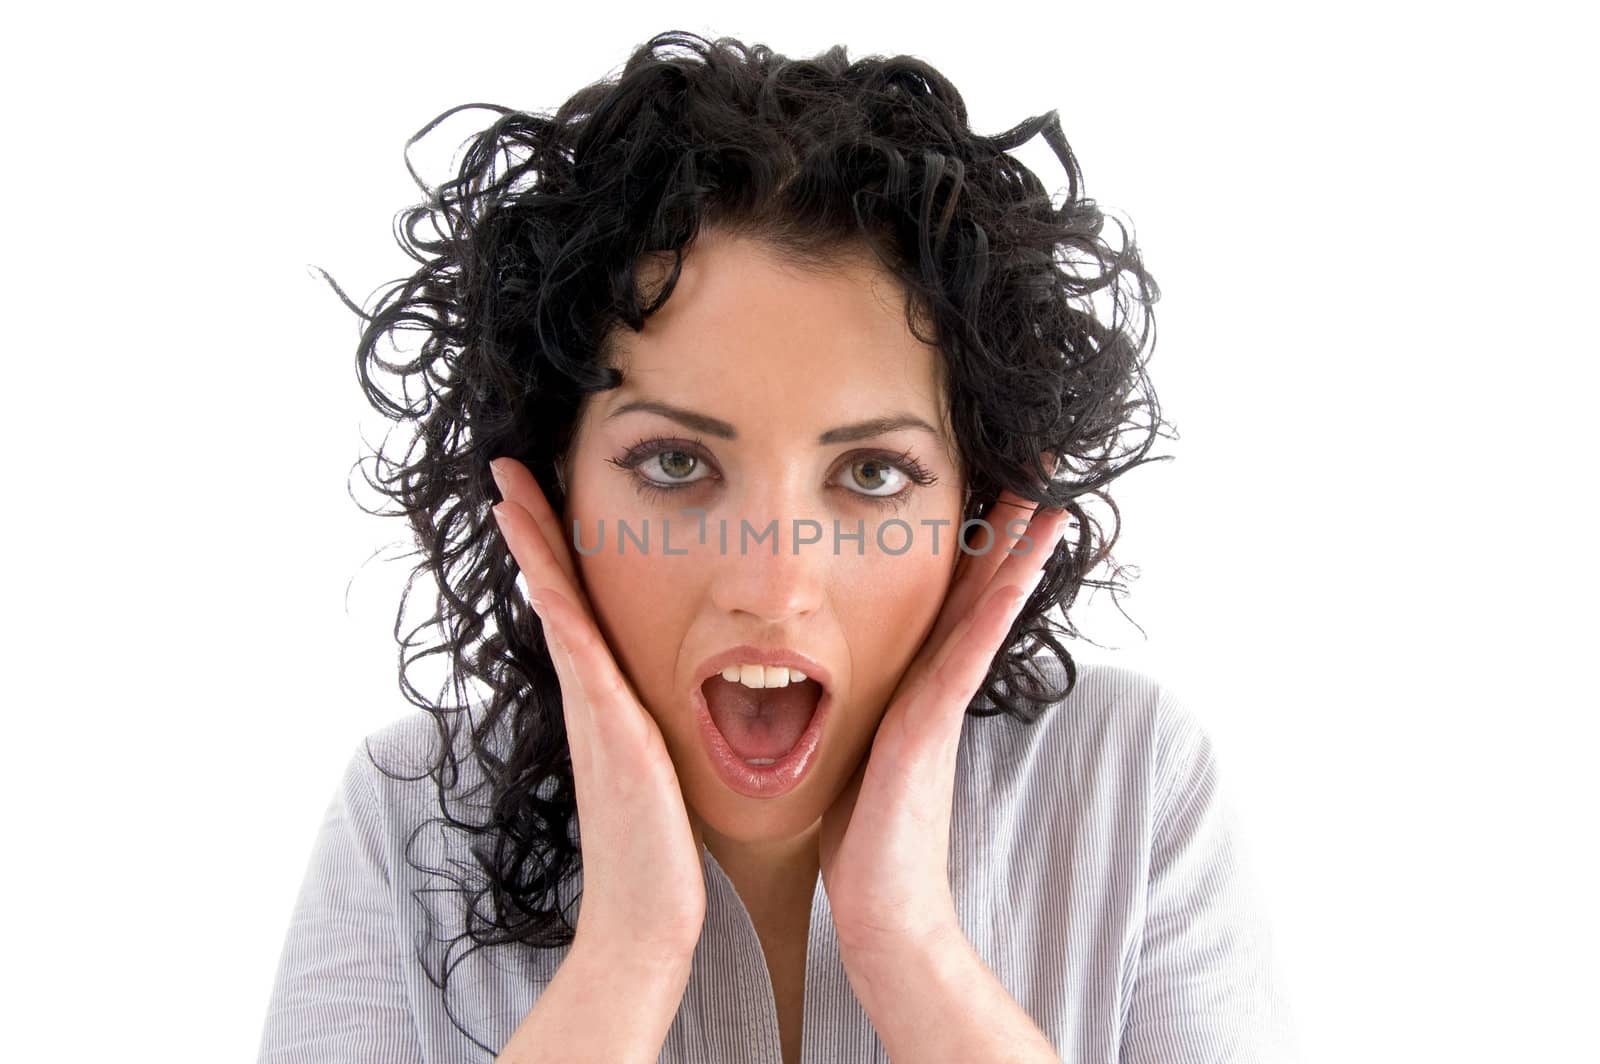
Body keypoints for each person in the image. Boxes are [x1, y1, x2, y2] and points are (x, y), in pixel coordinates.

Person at [257, 29, 1296, 1063]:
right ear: (552, 481)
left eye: (873, 473)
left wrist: (911, 946)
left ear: (976, 510)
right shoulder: (406, 825)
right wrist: (626, 952)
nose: (772, 583)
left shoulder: (1129, 784)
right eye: (672, 464)